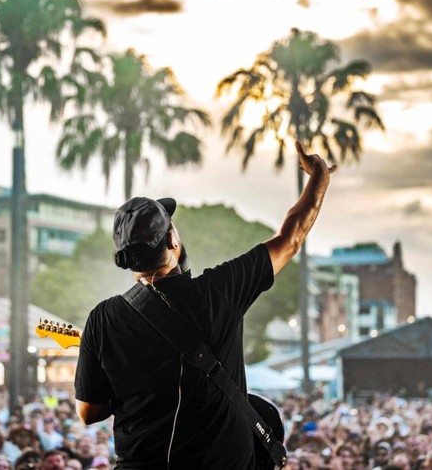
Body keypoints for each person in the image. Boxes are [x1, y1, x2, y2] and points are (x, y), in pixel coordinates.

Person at [74, 141, 334, 468]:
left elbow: (89, 412)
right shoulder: (219, 291)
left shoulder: (102, 319)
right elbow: (291, 237)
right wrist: (319, 177)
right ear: (172, 240)